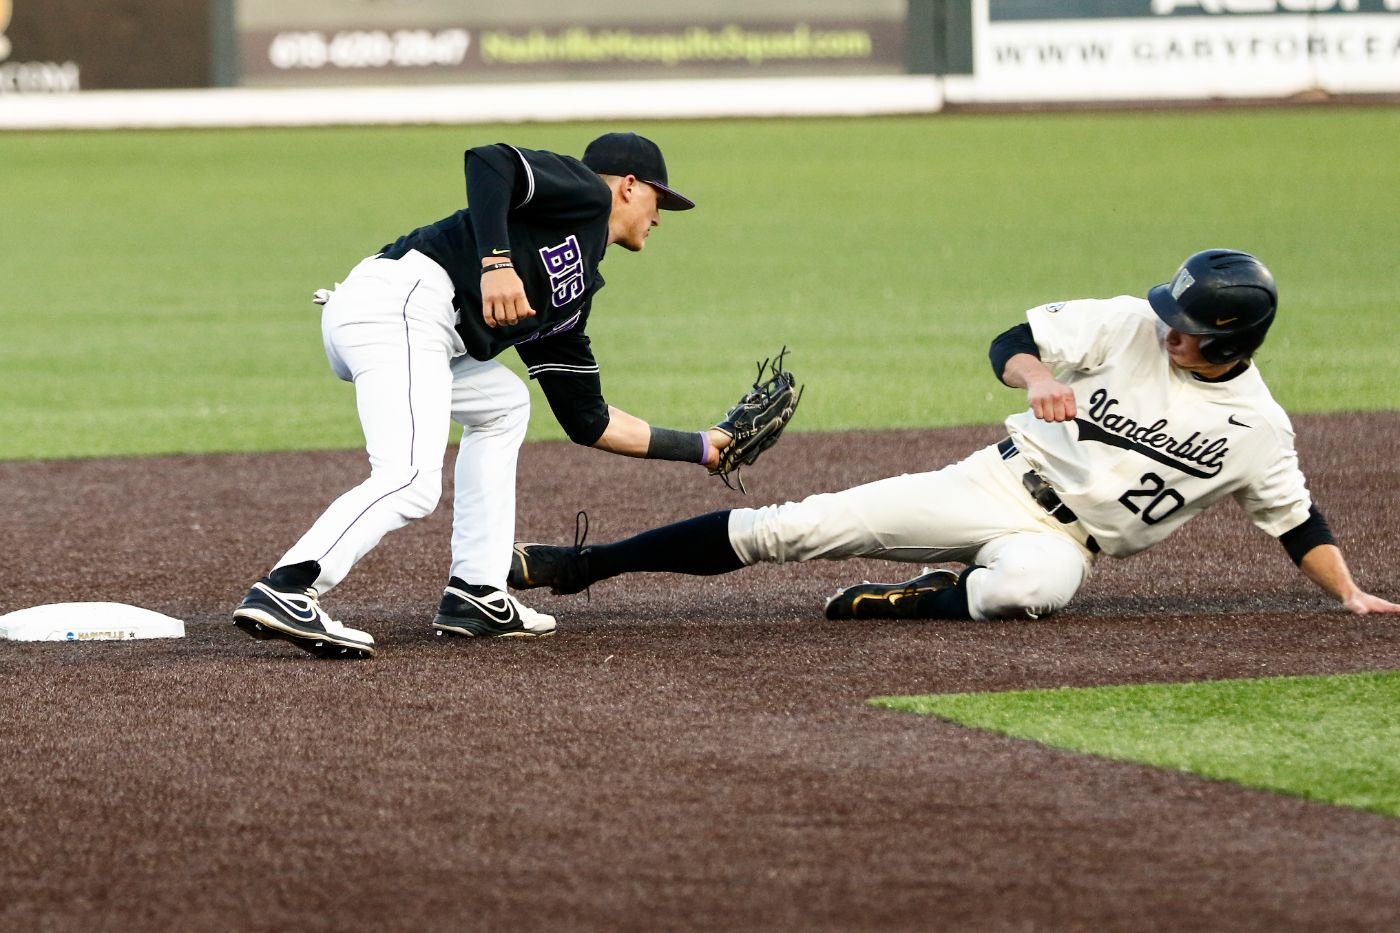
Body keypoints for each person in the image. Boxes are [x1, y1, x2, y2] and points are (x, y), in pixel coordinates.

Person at [509, 249, 1400, 622]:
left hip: (1069, 545)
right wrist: (1038, 379)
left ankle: (919, 597)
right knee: (791, 527)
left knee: (1029, 590)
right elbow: (1013, 340)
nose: (1171, 328)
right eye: (1174, 312)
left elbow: (1296, 521)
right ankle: (582, 565)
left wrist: (1350, 593)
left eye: (1191, 327)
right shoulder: (1130, 321)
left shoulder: (1258, 430)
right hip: (997, 481)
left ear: (1235, 343)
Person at [234, 132, 736, 659]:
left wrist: (703, 447)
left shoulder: (573, 295)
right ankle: (289, 587)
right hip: (401, 305)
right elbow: (491, 162)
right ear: (629, 186)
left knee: (504, 405)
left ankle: (477, 590)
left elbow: (589, 420)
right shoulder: (586, 193)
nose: (658, 218)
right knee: (411, 480)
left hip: (414, 326)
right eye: (659, 199)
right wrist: (497, 263)